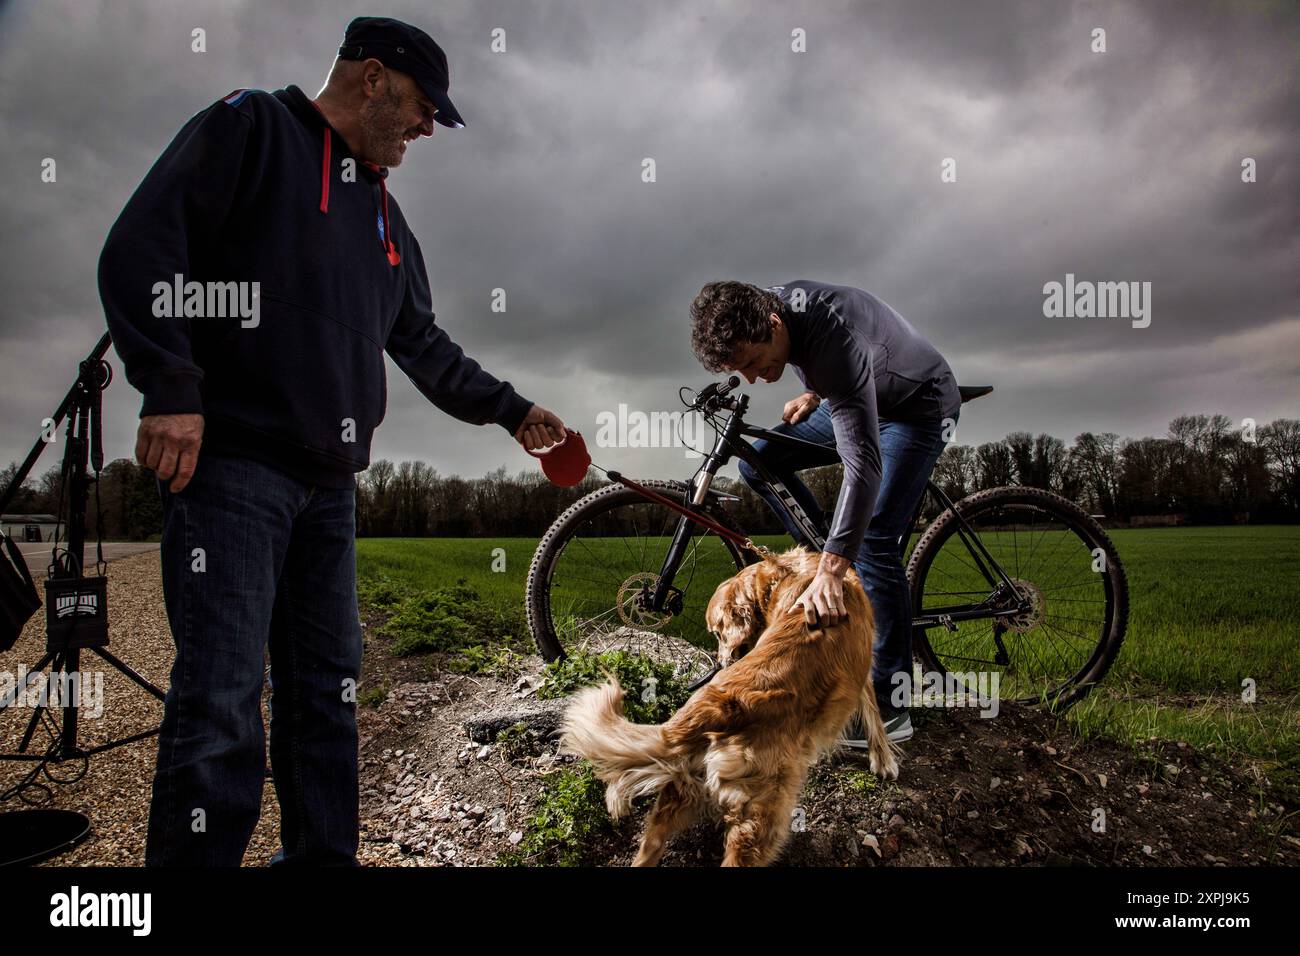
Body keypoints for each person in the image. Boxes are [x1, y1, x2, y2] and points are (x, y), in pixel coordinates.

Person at [98, 16, 564, 866]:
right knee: (222, 702)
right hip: (233, 470)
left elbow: (423, 346)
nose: (429, 128)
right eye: (426, 109)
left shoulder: (389, 224)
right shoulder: (250, 127)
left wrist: (513, 409)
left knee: (327, 698)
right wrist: (169, 384)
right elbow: (141, 246)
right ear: (374, 77)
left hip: (330, 491)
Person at [689, 279, 960, 744]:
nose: (754, 377)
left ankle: (892, 706)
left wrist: (836, 567)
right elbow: (836, 359)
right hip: (852, 391)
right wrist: (815, 393)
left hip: (915, 407)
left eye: (754, 362)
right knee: (760, 463)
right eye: (742, 371)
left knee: (873, 538)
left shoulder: (830, 339)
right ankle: (823, 553)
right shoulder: (771, 306)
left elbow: (864, 466)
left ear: (774, 325)